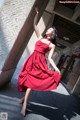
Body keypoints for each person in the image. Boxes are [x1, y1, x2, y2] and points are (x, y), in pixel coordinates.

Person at [17, 8, 61, 116]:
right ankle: (23, 100)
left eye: (50, 29)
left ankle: (24, 106)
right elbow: (35, 25)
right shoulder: (40, 38)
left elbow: (50, 58)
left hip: (40, 63)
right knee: (28, 81)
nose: (48, 29)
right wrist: (37, 14)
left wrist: (56, 69)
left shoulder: (52, 45)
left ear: (53, 33)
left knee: (31, 83)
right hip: (32, 60)